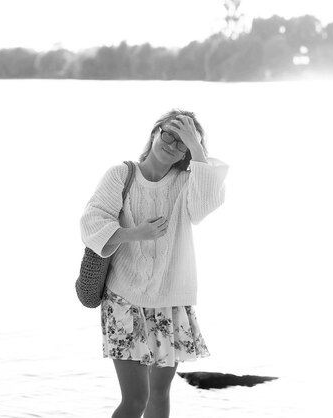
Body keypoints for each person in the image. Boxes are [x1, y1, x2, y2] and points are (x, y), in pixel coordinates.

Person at [80, 108, 229, 418]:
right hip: (123, 298)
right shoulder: (120, 175)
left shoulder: (186, 183)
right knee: (136, 400)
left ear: (186, 155)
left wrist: (197, 145)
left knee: (159, 396)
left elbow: (207, 203)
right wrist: (136, 233)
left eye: (182, 143)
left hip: (170, 301)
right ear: (155, 134)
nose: (172, 144)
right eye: (169, 135)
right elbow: (91, 223)